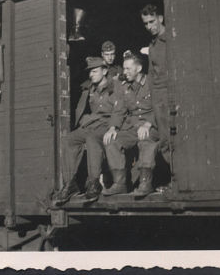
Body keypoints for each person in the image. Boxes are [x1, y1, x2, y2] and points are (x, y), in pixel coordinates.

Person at [54, 57, 117, 204]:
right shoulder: (90, 88)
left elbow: (120, 110)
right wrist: (83, 120)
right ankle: (71, 183)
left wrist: (114, 127)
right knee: (68, 140)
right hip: (92, 124)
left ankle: (94, 182)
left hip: (107, 125)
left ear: (105, 71)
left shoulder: (115, 86)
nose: (91, 75)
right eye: (90, 72)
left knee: (92, 139)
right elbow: (83, 110)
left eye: (94, 71)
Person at [103, 52, 159, 197]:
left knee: (145, 141)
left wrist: (148, 124)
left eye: (128, 69)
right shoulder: (124, 87)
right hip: (132, 128)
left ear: (139, 68)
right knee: (112, 141)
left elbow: (160, 107)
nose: (125, 72)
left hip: (152, 126)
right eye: (124, 68)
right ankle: (119, 184)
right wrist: (112, 128)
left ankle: (145, 183)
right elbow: (118, 110)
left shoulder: (152, 83)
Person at [140, 4, 171, 164]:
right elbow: (151, 75)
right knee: (165, 139)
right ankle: (174, 180)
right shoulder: (152, 45)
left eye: (152, 21)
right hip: (158, 97)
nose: (149, 26)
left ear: (160, 18)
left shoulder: (171, 39)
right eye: (145, 23)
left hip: (171, 95)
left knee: (175, 138)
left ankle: (179, 181)